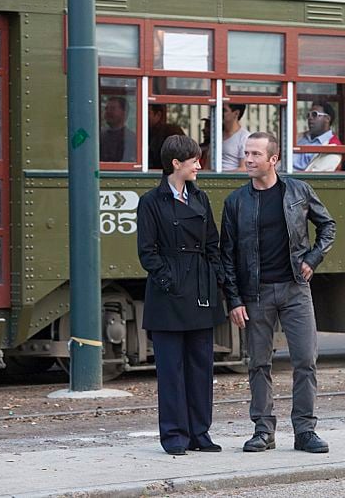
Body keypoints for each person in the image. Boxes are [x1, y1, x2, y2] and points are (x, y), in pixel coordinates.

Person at [220, 132, 336, 454]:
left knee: (305, 360)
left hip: (295, 289)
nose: (249, 159)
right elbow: (226, 255)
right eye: (246, 153)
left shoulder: (298, 191)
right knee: (258, 364)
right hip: (255, 294)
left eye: (256, 154)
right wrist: (234, 299)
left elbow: (328, 226)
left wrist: (312, 259)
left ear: (274, 159)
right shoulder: (236, 202)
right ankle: (263, 430)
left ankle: (305, 431)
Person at [137, 135, 226, 456]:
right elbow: (147, 253)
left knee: (202, 367)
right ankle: (174, 435)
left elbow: (213, 245)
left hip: (200, 290)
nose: (199, 166)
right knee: (171, 370)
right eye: (194, 161)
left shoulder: (201, 199)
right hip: (169, 295)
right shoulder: (150, 202)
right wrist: (171, 282)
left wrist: (214, 278)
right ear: (176, 164)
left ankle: (200, 433)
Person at [293, 101, 343, 172]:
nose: (310, 118)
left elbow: (315, 176)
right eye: (308, 115)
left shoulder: (333, 146)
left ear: (327, 119)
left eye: (314, 114)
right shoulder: (300, 137)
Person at [100, 96, 137, 162]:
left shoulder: (131, 138)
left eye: (112, 108)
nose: (108, 112)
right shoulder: (99, 135)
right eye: (106, 108)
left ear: (124, 113)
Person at [148, 104, 184, 169]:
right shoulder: (146, 133)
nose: (144, 117)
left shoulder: (171, 131)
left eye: (148, 113)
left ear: (158, 115)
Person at [222, 103, 251, 171]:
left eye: (224, 110)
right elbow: (208, 166)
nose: (220, 113)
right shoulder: (216, 135)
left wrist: (223, 176)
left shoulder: (244, 137)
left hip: (231, 180)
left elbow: (244, 168)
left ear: (236, 113)